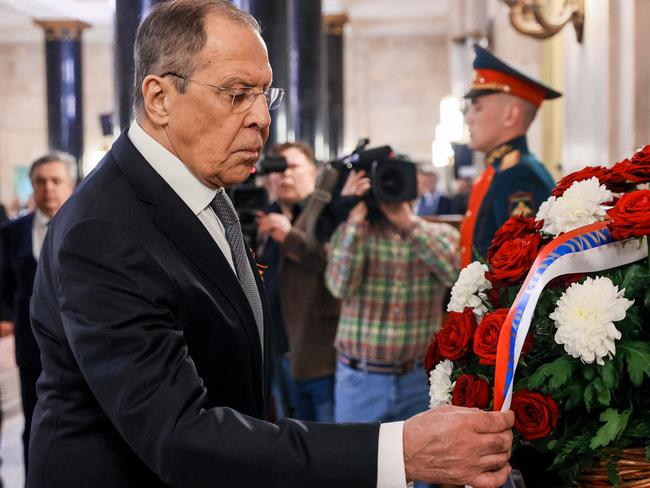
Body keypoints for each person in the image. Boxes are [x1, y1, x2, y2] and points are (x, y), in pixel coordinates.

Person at [27, 2, 514, 487]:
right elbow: (181, 438)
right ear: (159, 98)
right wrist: (399, 452)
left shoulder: (202, 189)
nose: (262, 117)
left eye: (265, 95)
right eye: (236, 94)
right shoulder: (105, 232)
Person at [326, 169, 459, 426]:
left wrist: (408, 223)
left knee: (417, 466)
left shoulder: (441, 234)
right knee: (354, 464)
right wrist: (353, 215)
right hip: (360, 381)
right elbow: (340, 287)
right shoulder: (352, 234)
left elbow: (455, 274)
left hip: (419, 380)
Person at [0, 152, 76, 473]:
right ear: (32, 185)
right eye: (41, 181)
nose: (49, 188)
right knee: (35, 420)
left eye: (56, 180)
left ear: (71, 185)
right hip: (31, 345)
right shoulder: (13, 232)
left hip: (79, 342)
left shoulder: (87, 226)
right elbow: (4, 283)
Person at [257, 141, 339, 422]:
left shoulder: (330, 214)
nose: (285, 175)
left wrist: (290, 235)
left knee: (329, 446)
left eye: (292, 167)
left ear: (313, 172)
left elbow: (332, 265)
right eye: (277, 169)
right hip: (277, 350)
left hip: (320, 355)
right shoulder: (262, 216)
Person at [459, 44, 559, 267]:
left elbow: (519, 272)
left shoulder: (518, 175)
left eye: (477, 108)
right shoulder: (501, 170)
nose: (469, 119)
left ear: (510, 115)